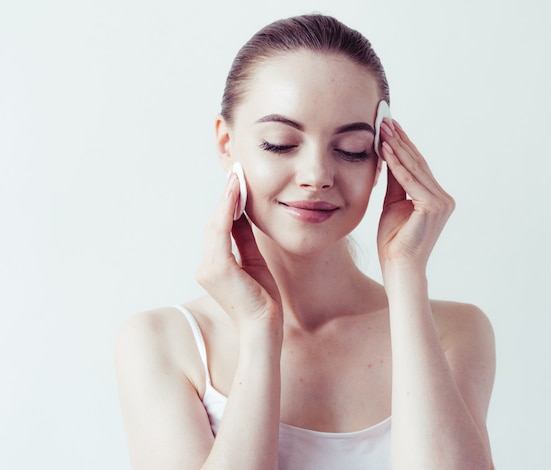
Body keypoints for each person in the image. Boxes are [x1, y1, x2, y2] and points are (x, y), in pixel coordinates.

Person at [115, 14, 496, 470]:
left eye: (353, 148)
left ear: (382, 161)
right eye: (280, 143)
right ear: (226, 145)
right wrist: (260, 335)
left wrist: (406, 273)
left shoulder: (455, 332)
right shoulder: (163, 343)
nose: (317, 176)